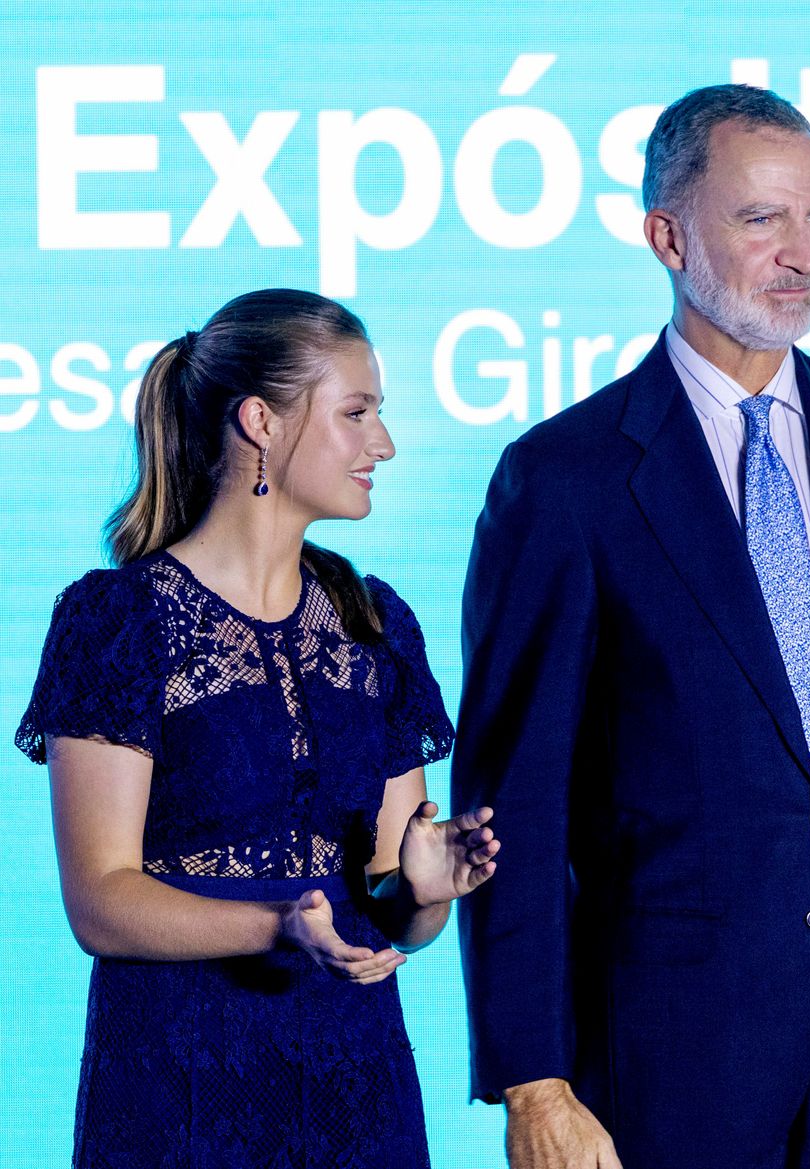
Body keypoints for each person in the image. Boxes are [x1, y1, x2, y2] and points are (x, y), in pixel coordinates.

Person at [451, 85, 810, 1169]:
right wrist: (533, 1079)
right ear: (666, 235)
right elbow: (514, 798)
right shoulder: (564, 477)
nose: (801, 252)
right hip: (671, 1067)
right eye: (760, 219)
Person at [16, 288, 499, 1169]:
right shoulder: (118, 620)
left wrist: (423, 891)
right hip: (182, 1078)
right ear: (260, 423)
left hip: (358, 1080)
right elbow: (100, 899)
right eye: (357, 413)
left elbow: (390, 908)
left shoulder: (375, 624)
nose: (381, 443)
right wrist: (279, 923)